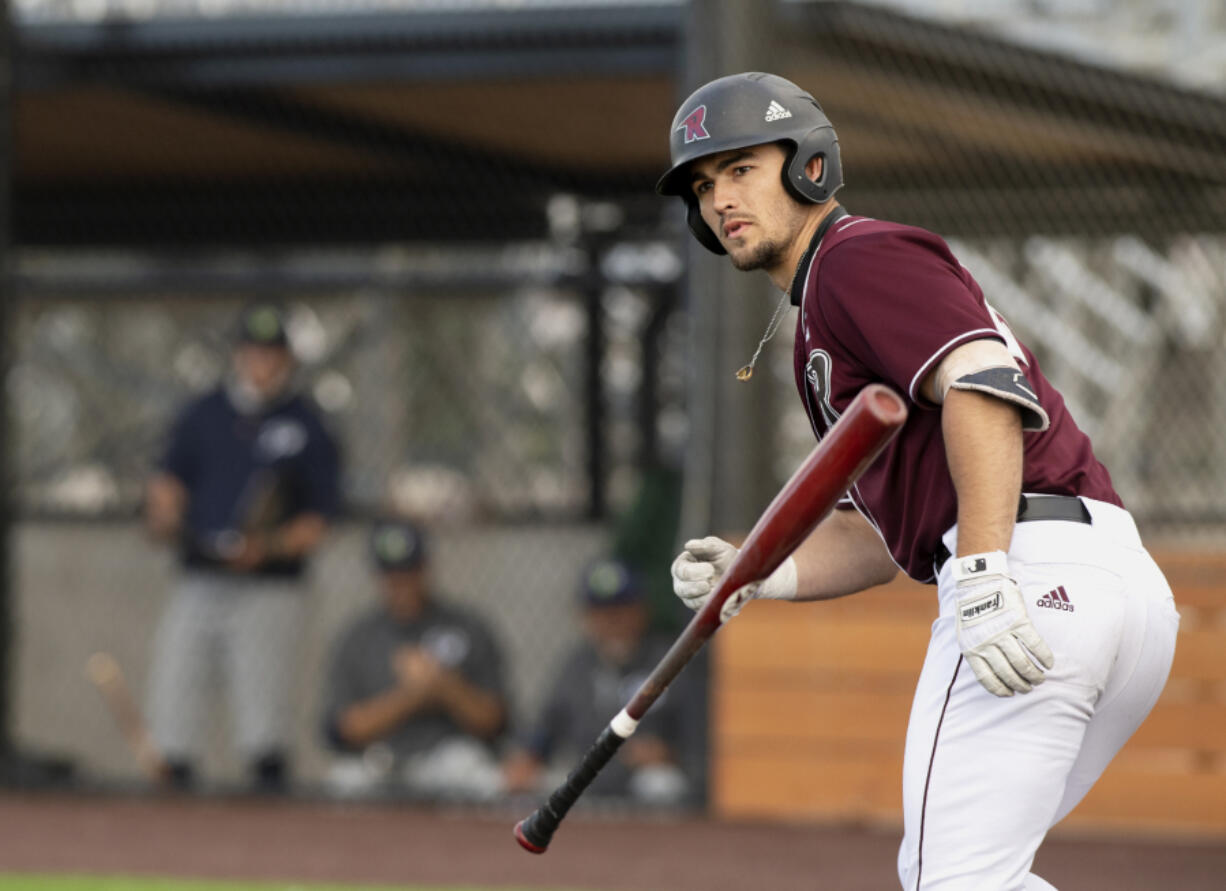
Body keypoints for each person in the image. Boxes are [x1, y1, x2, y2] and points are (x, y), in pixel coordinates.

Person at [657, 72, 1179, 889]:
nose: (720, 198)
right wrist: (752, 565)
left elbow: (983, 383)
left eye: (741, 168)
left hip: (1032, 570)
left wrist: (981, 566)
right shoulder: (825, 309)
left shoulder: (855, 257)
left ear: (809, 168)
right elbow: (879, 533)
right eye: (704, 183)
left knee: (956, 877)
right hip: (1107, 586)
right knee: (972, 874)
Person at [144, 302, 341, 793]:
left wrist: (268, 545)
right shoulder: (203, 412)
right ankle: (173, 802)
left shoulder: (307, 424)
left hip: (268, 584)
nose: (263, 363)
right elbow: (168, 482)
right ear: (237, 354)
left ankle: (264, 831)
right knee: (175, 689)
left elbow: (318, 519)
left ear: (288, 360)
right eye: (254, 352)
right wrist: (165, 511)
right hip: (200, 573)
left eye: (273, 353)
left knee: (263, 710)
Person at [321, 516, 509, 800]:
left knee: (488, 778)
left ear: (425, 567)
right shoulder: (358, 637)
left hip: (447, 758)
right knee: (341, 780)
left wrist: (443, 684)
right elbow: (347, 728)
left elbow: (493, 720)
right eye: (391, 573)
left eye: (409, 570)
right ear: (377, 575)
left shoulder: (467, 626)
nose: (401, 582)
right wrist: (413, 694)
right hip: (379, 759)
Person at [502, 558, 698, 807]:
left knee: (662, 785)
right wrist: (526, 757)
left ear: (641, 609)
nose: (609, 620)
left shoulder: (672, 661)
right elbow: (543, 728)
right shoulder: (577, 665)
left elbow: (702, 741)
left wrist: (670, 754)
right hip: (586, 780)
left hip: (644, 784)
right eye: (599, 611)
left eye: (619, 609)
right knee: (519, 789)